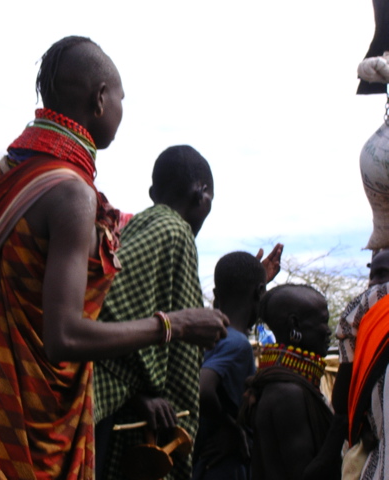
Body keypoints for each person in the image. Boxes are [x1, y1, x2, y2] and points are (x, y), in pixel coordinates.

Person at [0, 36, 228, 479]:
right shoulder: (72, 194)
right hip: (26, 436)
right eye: (121, 98)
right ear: (100, 99)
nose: (121, 108)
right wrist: (175, 325)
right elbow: (63, 338)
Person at [91, 144, 281, 480]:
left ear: (153, 192)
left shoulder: (141, 227)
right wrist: (139, 395)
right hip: (110, 403)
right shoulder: (173, 230)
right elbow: (106, 308)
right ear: (203, 194)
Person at [240, 284, 338, 480]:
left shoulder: (282, 382)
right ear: (295, 325)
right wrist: (342, 425)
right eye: (323, 321)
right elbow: (304, 474)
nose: (328, 331)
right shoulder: (287, 393)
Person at [192, 251, 266, 480]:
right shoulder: (238, 345)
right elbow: (203, 389)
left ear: (215, 294)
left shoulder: (205, 337)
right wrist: (231, 426)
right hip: (224, 466)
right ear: (259, 292)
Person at [330, 248, 389, 480]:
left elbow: (342, 403)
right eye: (371, 276)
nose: (373, 284)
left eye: (382, 274)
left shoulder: (370, 303)